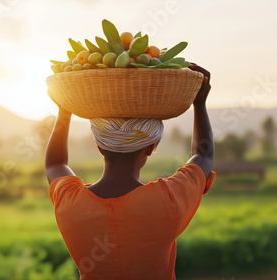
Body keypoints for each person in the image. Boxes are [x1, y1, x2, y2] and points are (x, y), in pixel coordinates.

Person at [45, 64, 216, 279]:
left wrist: (64, 111)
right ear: (151, 148)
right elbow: (204, 155)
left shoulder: (70, 203)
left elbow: (55, 164)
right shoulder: (167, 200)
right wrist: (199, 103)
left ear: (99, 147)